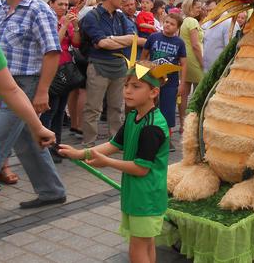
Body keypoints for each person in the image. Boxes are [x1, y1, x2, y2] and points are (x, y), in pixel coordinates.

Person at [59, 60, 171, 263]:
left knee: (137, 249)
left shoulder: (153, 126)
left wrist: (107, 162)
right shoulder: (133, 117)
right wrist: (80, 154)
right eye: (126, 85)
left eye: (136, 86)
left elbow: (140, 169)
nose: (127, 91)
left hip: (147, 197)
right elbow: (114, 145)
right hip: (136, 194)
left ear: (153, 92)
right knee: (145, 244)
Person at [0, 0, 66, 208]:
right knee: (28, 139)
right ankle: (52, 191)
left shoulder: (38, 10)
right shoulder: (4, 8)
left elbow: (52, 51)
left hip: (24, 85)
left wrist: (42, 90)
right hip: (5, 84)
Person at [79, 0, 137, 147]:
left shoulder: (120, 16)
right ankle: (89, 142)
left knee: (117, 107)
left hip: (119, 66)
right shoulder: (93, 16)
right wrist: (112, 41)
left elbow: (132, 37)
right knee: (93, 108)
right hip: (99, 67)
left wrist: (109, 39)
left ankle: (116, 141)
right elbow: (102, 43)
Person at [40, 0, 80, 163]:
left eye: (66, 5)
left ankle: (57, 146)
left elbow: (76, 43)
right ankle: (45, 148)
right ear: (51, 3)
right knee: (50, 109)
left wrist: (76, 26)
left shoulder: (67, 21)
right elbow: (53, 44)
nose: (64, 8)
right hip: (51, 70)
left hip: (65, 70)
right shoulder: (47, 21)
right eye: (60, 4)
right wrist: (63, 26)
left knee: (60, 110)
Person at [141, 13, 187, 151]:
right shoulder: (154, 37)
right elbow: (144, 56)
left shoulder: (179, 42)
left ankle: (166, 138)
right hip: (152, 78)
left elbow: (184, 64)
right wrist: (141, 74)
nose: (168, 25)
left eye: (172, 24)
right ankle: (147, 136)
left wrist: (182, 83)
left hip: (171, 81)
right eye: (166, 22)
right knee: (150, 106)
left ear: (177, 28)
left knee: (168, 110)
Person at [179, 0, 204, 132]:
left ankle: (183, 123)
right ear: (190, 7)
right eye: (197, 7)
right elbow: (195, 44)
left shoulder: (184, 21)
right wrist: (202, 62)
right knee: (199, 90)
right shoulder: (192, 21)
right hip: (194, 58)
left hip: (185, 58)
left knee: (184, 92)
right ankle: (193, 121)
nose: (199, 10)